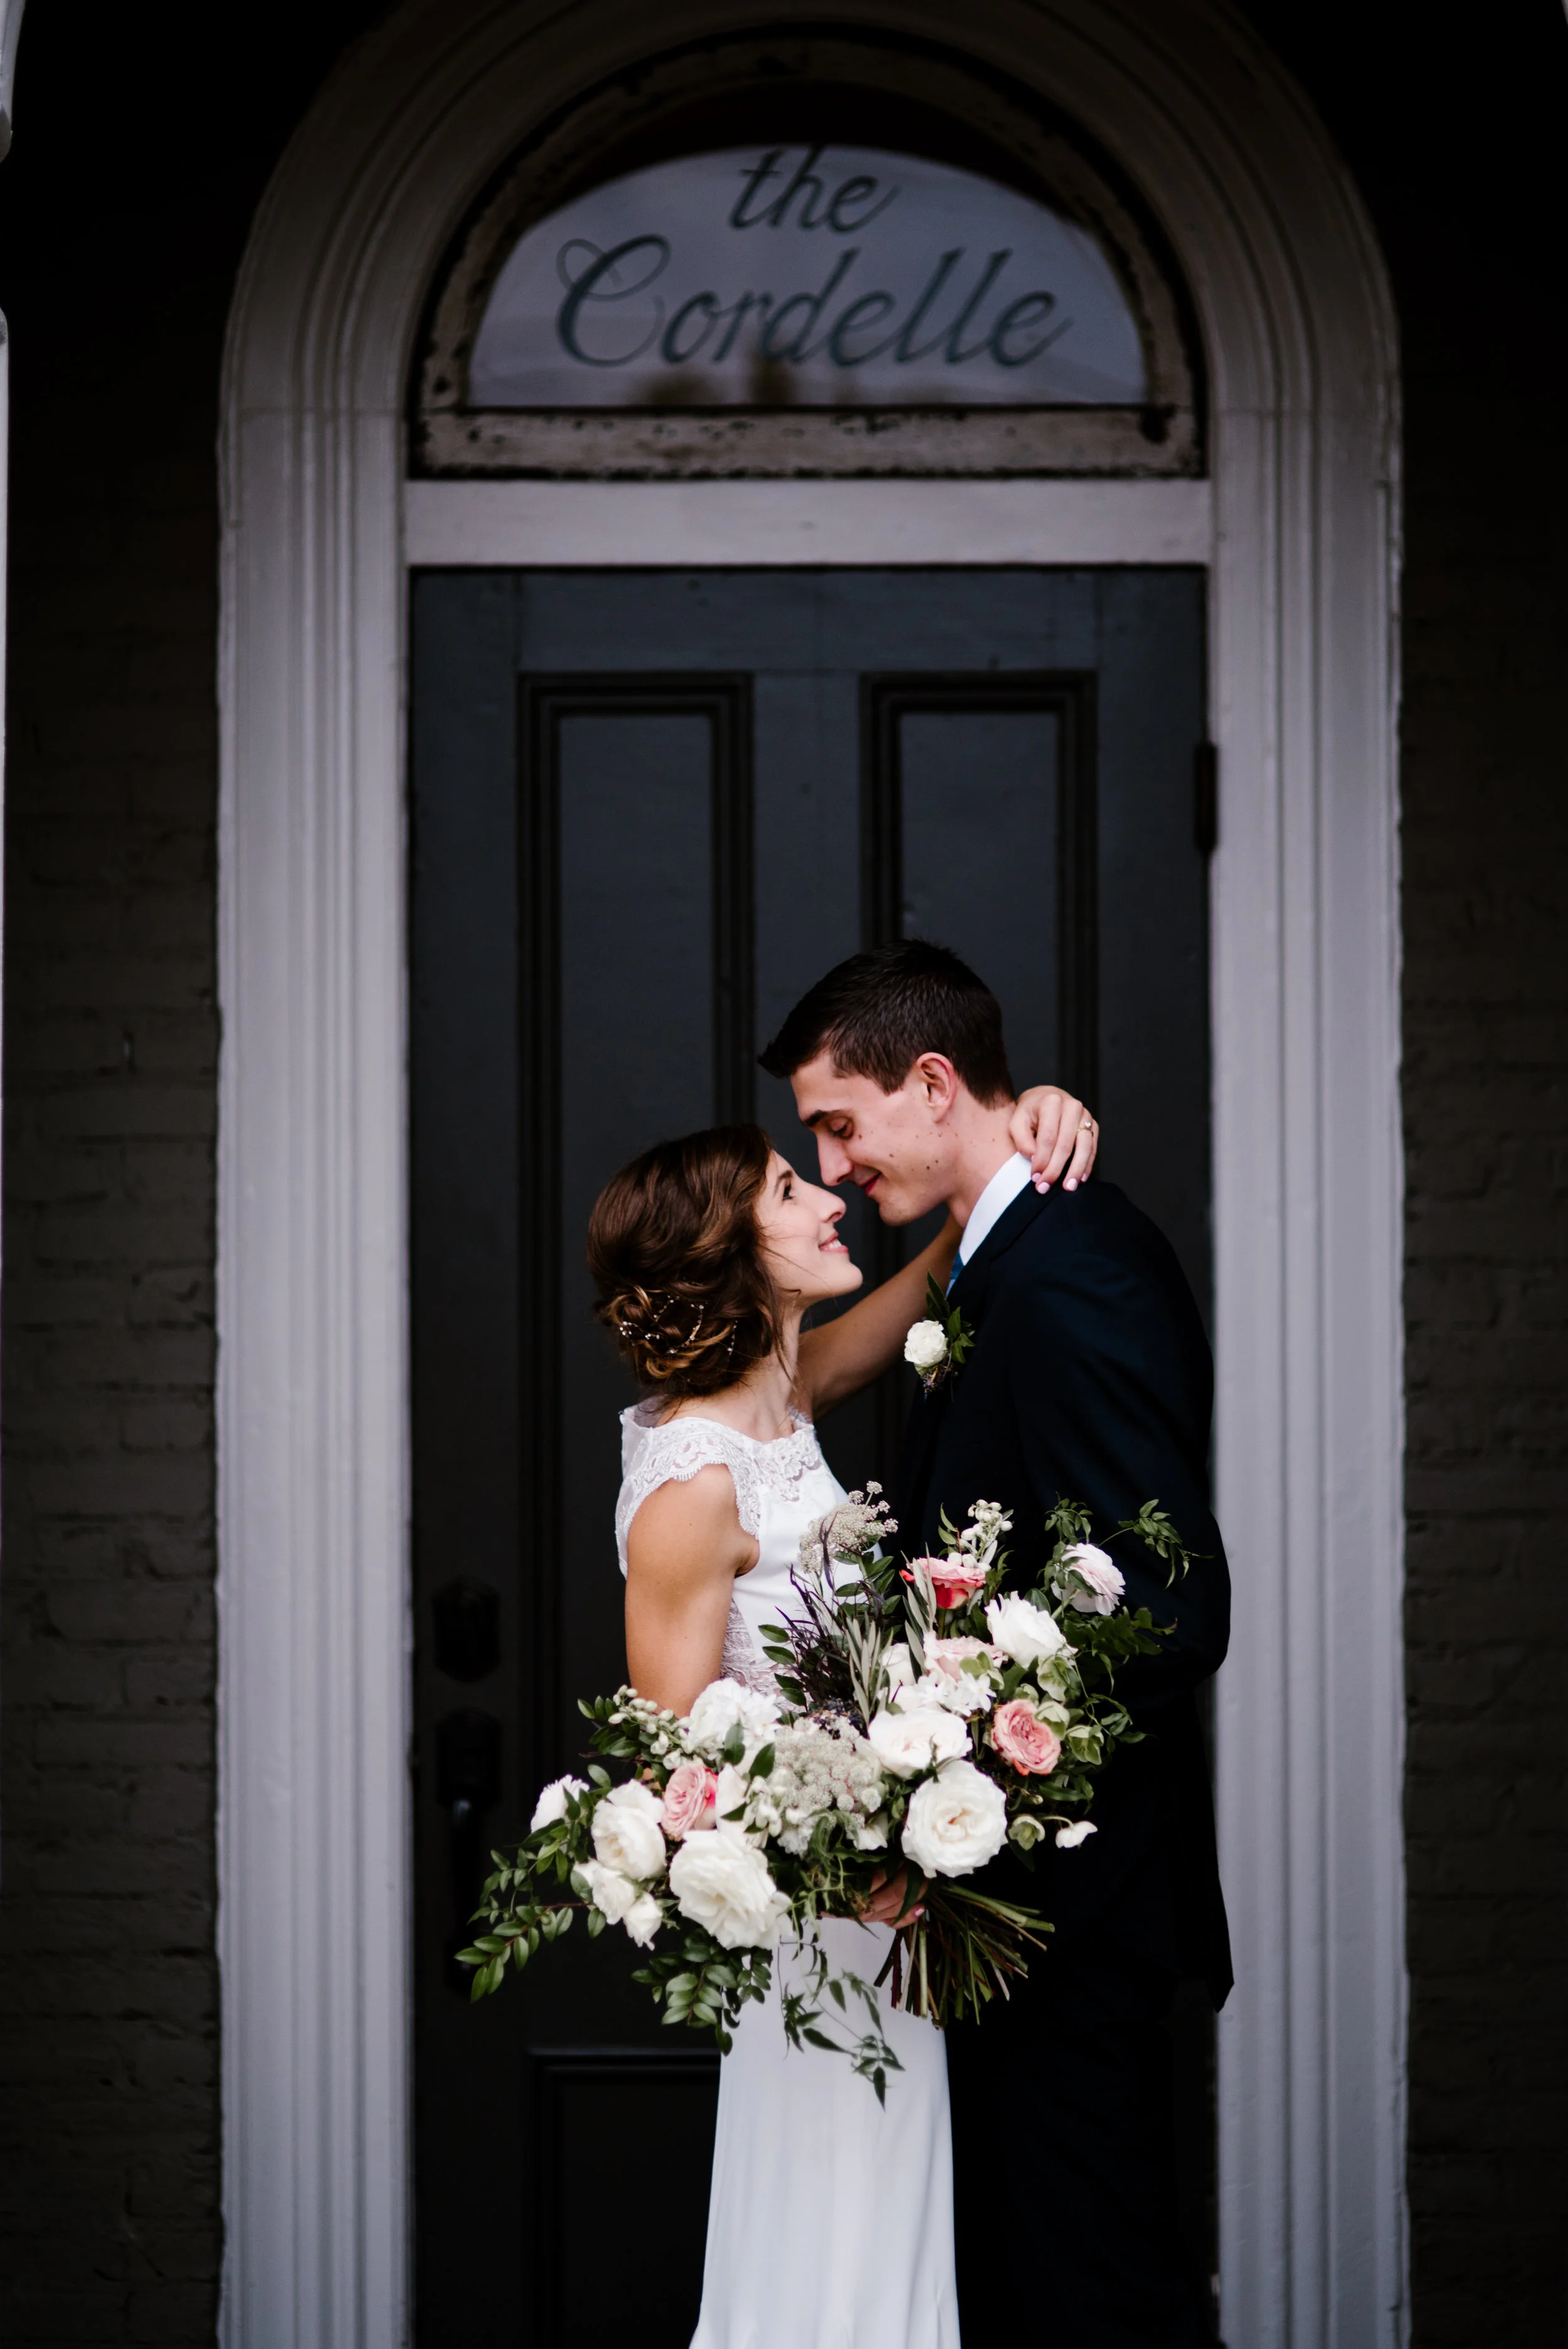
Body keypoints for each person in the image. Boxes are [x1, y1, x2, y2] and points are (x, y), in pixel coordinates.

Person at [760, 938, 1231, 2349]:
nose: (835, 1166)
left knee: (1091, 2302)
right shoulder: (997, 1255)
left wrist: (946, 1759)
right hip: (1000, 1926)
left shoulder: (1070, 1269)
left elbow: (1163, 1602)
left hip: (1064, 1922)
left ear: (929, 1080)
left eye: (839, 1124)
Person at [586, 1083, 1095, 2349]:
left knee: (888, 2267)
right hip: (817, 1945)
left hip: (885, 1929)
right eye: (784, 1190)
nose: (826, 1195)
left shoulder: (784, 1397)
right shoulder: (691, 1488)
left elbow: (931, 1274)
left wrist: (1012, 1141)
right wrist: (846, 1864)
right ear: (724, 1255)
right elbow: (675, 1769)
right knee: (827, 2273)